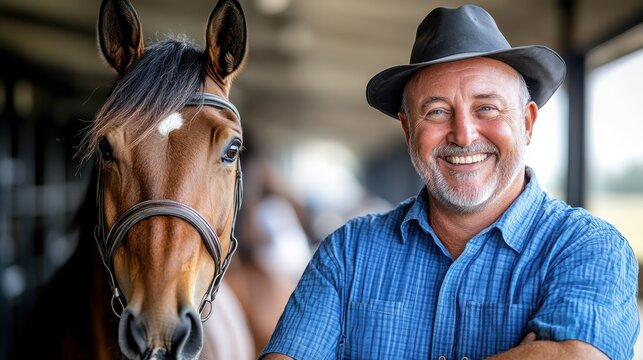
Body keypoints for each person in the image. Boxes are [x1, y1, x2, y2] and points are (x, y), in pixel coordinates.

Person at [260, 4, 639, 360]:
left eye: (486, 108)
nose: (463, 133)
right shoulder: (348, 253)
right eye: (437, 111)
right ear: (408, 129)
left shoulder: (587, 248)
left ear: (526, 123)